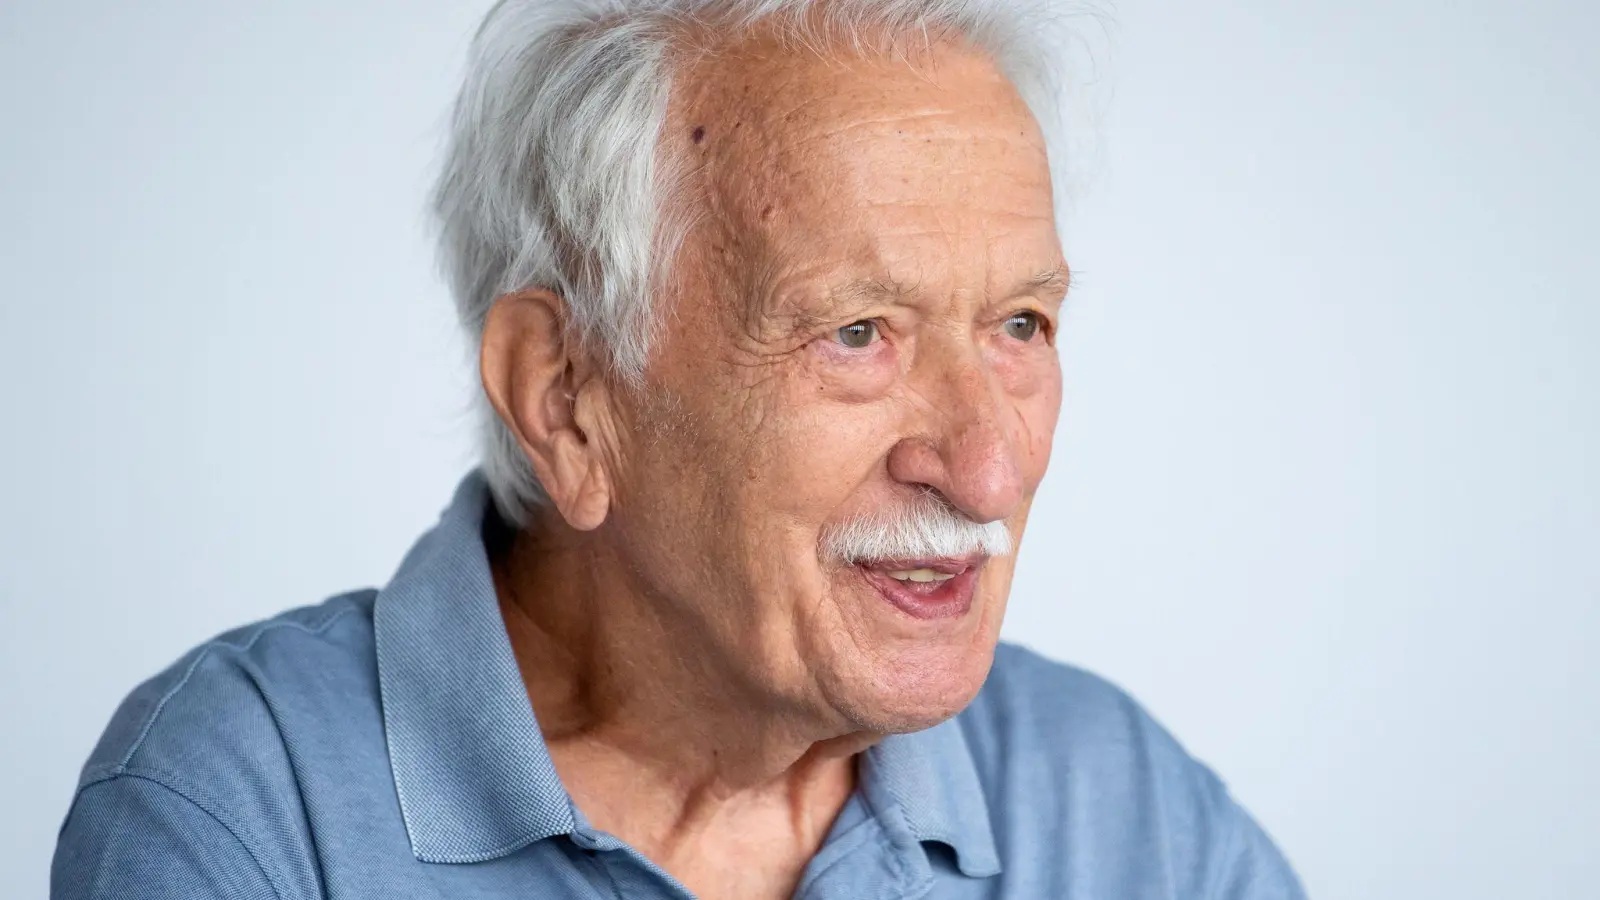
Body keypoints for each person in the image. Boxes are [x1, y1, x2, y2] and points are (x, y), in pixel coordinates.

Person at [51, 1, 1306, 897]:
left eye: (1018, 324)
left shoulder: (1124, 810)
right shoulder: (244, 810)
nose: (988, 471)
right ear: (566, 396)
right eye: (856, 333)